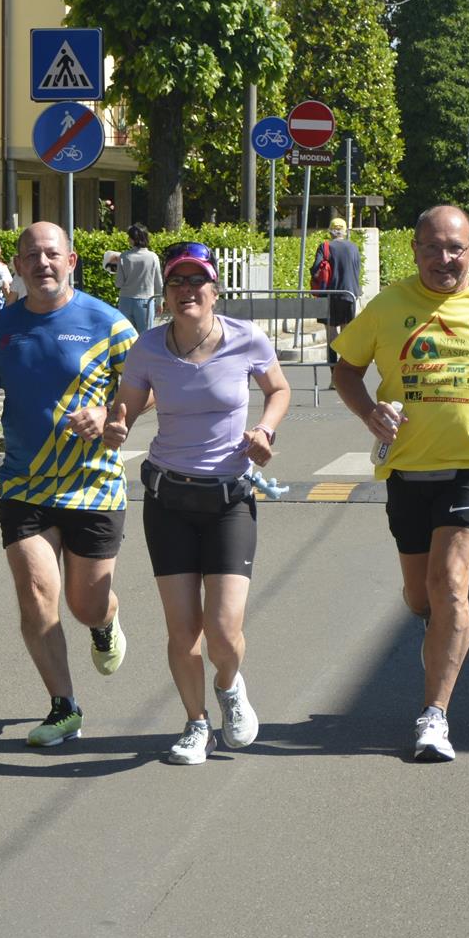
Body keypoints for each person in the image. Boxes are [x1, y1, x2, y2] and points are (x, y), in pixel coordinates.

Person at [331, 204, 469, 762]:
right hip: (407, 467)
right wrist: (369, 412)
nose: (444, 259)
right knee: (420, 595)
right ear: (415, 250)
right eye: (432, 248)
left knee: (450, 583)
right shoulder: (388, 305)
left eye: (455, 248)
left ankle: (434, 715)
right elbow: (345, 369)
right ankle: (438, 624)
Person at [109, 242, 292, 764]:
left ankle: (229, 686)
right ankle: (196, 724)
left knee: (224, 631)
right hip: (168, 498)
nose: (186, 290)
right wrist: (116, 424)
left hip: (229, 499)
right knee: (183, 628)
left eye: (196, 281)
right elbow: (127, 405)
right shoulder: (148, 347)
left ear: (215, 290)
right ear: (164, 294)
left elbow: (278, 389)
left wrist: (264, 430)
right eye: (176, 282)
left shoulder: (245, 338)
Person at [0, 222, 137, 748]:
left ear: (71, 261)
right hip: (25, 483)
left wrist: (108, 413)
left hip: (94, 484)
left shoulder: (108, 322)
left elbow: (146, 385)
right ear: (17, 265)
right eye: (32, 255)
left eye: (52, 254)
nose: (42, 263)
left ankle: (105, 621)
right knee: (38, 593)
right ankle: (64, 706)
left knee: (86, 605)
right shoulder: (2, 327)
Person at [315, 218, 363, 364]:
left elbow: (316, 269)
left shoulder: (325, 246)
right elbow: (357, 270)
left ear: (330, 231)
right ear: (345, 231)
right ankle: (344, 369)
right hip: (349, 294)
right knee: (346, 332)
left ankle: (333, 369)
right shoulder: (353, 247)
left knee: (331, 332)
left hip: (328, 295)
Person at [113, 223, 160, 333]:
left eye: (129, 237)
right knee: (146, 335)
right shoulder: (153, 257)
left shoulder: (124, 256)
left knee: (125, 335)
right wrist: (159, 302)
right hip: (146, 300)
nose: (128, 239)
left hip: (125, 300)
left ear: (133, 239)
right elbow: (158, 283)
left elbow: (118, 283)